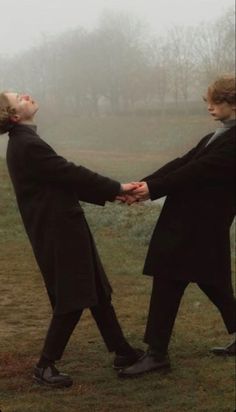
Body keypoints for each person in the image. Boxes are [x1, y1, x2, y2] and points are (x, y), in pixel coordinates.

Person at [0, 91, 143, 388]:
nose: (27, 95)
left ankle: (123, 352)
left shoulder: (24, 142)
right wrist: (116, 186)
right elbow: (69, 172)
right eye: (18, 98)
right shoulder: (28, 144)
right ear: (14, 116)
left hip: (64, 226)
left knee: (97, 291)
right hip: (58, 231)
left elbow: (61, 181)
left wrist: (112, 193)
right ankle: (45, 365)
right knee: (74, 295)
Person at [118, 74, 236, 378]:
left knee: (169, 280)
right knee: (214, 284)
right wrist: (143, 185)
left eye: (216, 101)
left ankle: (156, 354)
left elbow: (196, 171)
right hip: (194, 226)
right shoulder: (218, 135)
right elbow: (183, 162)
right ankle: (157, 352)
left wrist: (150, 190)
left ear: (233, 103)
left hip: (200, 228)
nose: (209, 107)